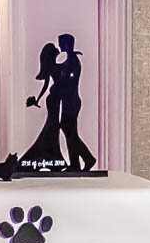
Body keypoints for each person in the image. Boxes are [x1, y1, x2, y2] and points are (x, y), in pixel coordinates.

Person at [20, 42, 65, 170]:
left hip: (54, 98)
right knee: (52, 125)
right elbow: (47, 84)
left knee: (53, 126)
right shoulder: (55, 67)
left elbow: (46, 85)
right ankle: (51, 156)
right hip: (54, 99)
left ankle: (54, 156)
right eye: (55, 50)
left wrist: (38, 99)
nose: (58, 49)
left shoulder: (52, 67)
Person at [56, 33, 96, 172]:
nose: (59, 45)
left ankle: (86, 158)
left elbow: (69, 80)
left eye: (61, 43)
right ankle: (76, 162)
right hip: (69, 101)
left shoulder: (72, 61)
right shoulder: (69, 60)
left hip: (71, 101)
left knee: (69, 131)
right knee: (69, 131)